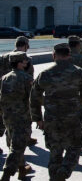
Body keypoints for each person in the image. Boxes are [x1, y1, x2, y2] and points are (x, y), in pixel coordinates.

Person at [30, 43, 82, 181]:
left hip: (52, 118)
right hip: (73, 117)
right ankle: (64, 170)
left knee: (55, 151)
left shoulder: (45, 74)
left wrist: (37, 118)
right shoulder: (78, 72)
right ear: (69, 56)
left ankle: (54, 177)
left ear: (54, 55)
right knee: (75, 145)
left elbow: (34, 98)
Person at [0, 52, 33, 181]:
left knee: (13, 143)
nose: (27, 63)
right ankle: (7, 174)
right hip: (22, 117)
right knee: (18, 146)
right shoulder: (26, 78)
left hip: (7, 117)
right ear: (20, 63)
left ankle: (22, 169)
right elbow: (33, 99)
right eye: (25, 61)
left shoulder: (5, 78)